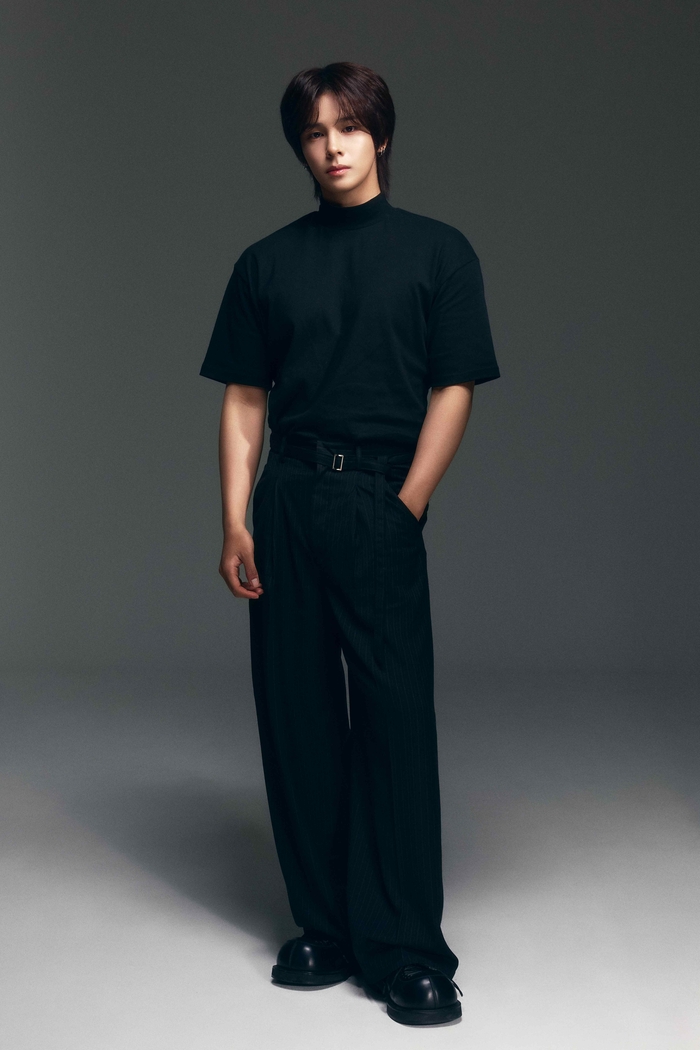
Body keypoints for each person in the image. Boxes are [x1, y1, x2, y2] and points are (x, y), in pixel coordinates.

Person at [199, 61, 500, 1027]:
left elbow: (454, 387)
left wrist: (408, 502)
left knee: (394, 720)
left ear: (381, 136)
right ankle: (324, 925)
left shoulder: (439, 252)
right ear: (299, 146)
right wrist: (236, 518)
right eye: (314, 132)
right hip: (288, 499)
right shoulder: (266, 263)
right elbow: (245, 400)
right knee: (296, 716)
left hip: (379, 498)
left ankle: (406, 948)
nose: (332, 146)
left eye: (350, 127)